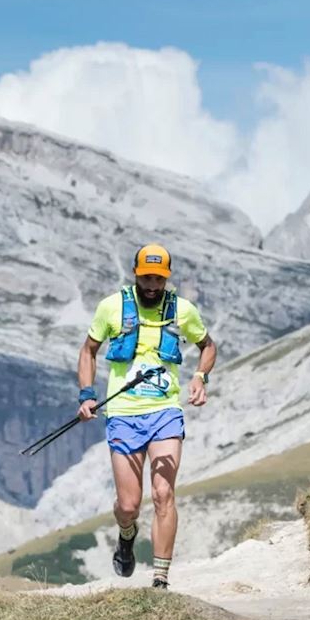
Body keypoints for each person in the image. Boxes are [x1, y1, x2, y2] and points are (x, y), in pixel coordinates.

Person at [77, 243, 217, 589]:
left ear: (167, 278)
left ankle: (160, 578)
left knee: (163, 493)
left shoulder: (182, 310)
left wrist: (200, 377)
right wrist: (86, 395)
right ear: (135, 274)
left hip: (165, 412)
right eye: (147, 277)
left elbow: (208, 346)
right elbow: (89, 350)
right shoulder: (111, 307)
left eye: (159, 278)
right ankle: (126, 535)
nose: (153, 285)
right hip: (123, 414)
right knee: (129, 504)